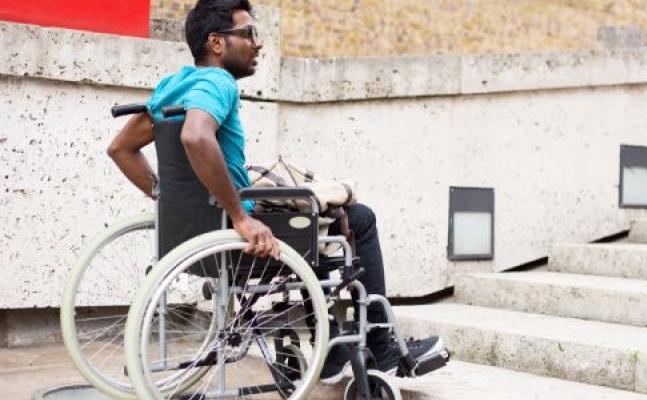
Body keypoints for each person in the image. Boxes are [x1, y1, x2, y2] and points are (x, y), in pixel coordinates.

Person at [107, 0, 443, 385]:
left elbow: (120, 149)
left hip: (193, 235)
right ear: (216, 43)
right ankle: (380, 346)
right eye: (248, 33)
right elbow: (195, 135)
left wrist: (170, 200)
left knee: (312, 221)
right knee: (357, 219)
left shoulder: (172, 87)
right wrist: (240, 217)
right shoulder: (218, 83)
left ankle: (332, 347)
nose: (258, 44)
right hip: (235, 236)